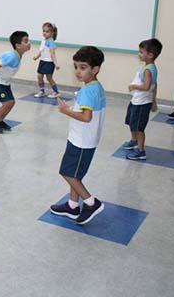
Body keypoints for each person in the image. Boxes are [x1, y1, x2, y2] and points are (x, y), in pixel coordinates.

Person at [51, 46, 106, 225]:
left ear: (95, 69)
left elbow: (86, 116)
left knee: (67, 172)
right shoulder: (94, 87)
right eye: (76, 67)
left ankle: (91, 202)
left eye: (83, 67)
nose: (77, 72)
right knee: (76, 174)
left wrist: (66, 110)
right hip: (82, 139)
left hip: (82, 141)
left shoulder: (89, 90)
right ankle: (73, 206)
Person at [122, 38, 163, 160]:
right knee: (131, 121)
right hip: (136, 100)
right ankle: (133, 140)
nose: (139, 54)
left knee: (139, 128)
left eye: (141, 52)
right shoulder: (149, 67)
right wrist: (154, 100)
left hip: (142, 103)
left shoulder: (148, 70)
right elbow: (155, 85)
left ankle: (140, 151)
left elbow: (147, 86)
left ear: (150, 55)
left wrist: (133, 86)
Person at [33, 22, 61, 98]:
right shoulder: (44, 40)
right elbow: (42, 51)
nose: (45, 33)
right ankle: (42, 91)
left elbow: (53, 54)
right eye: (44, 31)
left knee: (49, 78)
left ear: (52, 33)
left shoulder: (51, 42)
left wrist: (56, 64)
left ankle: (56, 92)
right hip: (42, 61)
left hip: (49, 62)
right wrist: (37, 56)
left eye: (47, 31)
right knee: (39, 76)